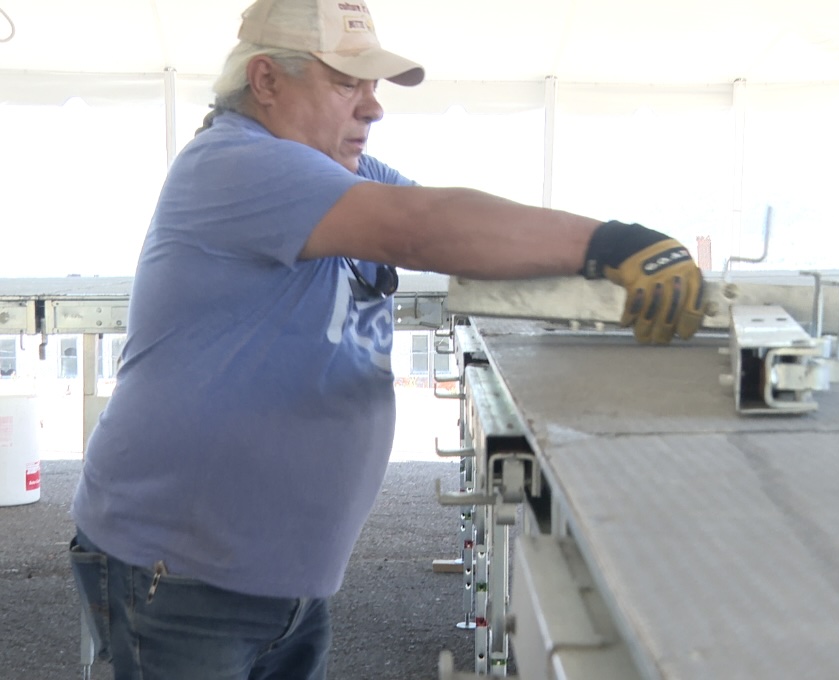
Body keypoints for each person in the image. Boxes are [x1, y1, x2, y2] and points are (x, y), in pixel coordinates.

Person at [68, 0, 706, 678]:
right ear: (266, 81)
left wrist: (596, 258)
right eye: (347, 83)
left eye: (373, 87)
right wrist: (613, 242)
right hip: (183, 578)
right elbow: (423, 226)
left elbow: (460, 224)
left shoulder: (341, 171)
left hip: (280, 579)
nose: (372, 108)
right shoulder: (237, 163)